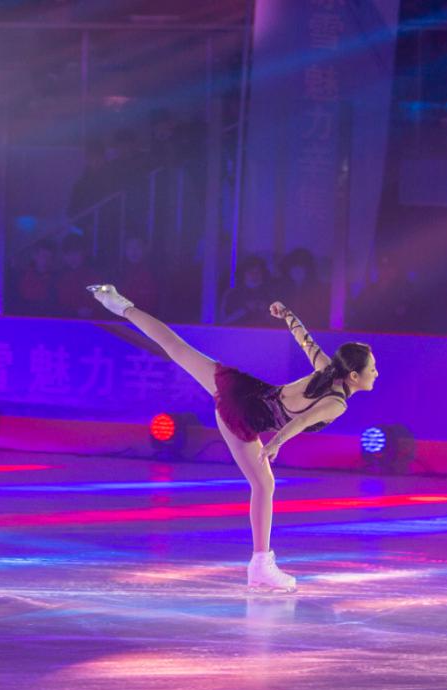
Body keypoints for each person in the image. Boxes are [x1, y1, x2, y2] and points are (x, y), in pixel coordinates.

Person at [87, 284, 378, 591]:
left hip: (240, 388)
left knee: (177, 348)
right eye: (372, 369)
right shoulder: (337, 403)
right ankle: (261, 564)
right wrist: (277, 441)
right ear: (354, 377)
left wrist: (288, 315)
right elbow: (305, 419)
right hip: (243, 415)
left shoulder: (327, 370)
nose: (376, 374)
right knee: (264, 484)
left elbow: (307, 342)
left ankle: (119, 304)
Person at [221, 256, 276, 326]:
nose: (255, 275)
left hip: (265, 335)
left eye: (258, 272)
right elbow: (224, 322)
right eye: (250, 272)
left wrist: (267, 311)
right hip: (237, 335)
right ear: (243, 274)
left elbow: (279, 323)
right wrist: (245, 309)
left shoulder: (271, 294)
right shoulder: (232, 294)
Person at [55, 233, 99, 318]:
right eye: (68, 253)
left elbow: (101, 302)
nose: (72, 257)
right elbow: (55, 304)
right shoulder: (58, 277)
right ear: (64, 255)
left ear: (83, 253)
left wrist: (92, 310)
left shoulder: (93, 275)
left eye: (75, 252)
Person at [11, 238, 58, 316]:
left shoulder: (55, 279)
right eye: (43, 256)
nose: (46, 260)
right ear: (34, 256)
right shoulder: (21, 276)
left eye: (49, 257)